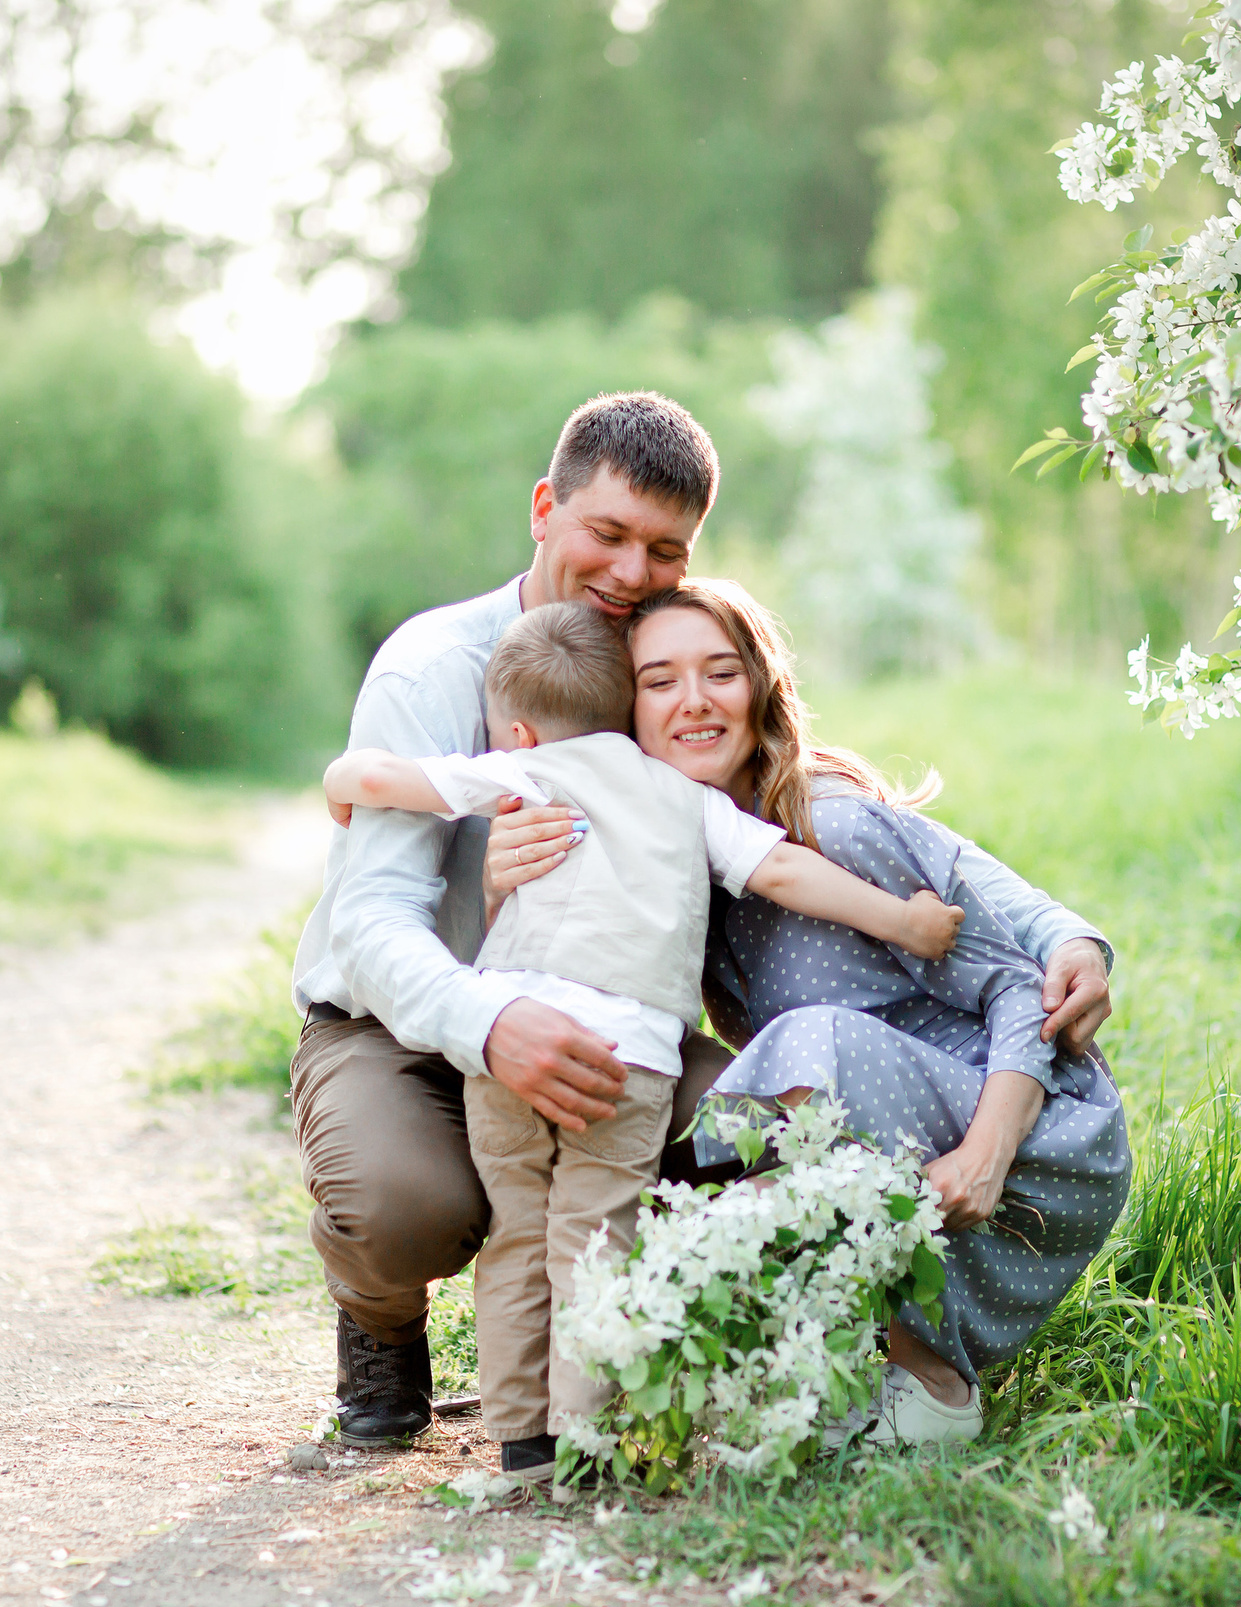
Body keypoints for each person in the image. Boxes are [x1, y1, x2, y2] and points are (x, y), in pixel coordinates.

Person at [290, 390, 1114, 1448]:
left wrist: (1064, 936)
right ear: (545, 508)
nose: (631, 574)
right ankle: (380, 1324)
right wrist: (489, 1016)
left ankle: (684, 1364)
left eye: (663, 550)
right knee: (406, 1208)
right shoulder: (436, 669)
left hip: (605, 1018)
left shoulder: (645, 673)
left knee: (761, 1139)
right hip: (400, 1022)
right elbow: (371, 920)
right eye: (607, 534)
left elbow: (820, 819)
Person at [320, 602, 963, 1482]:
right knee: (596, 1241)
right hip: (628, 1067)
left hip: (507, 1049)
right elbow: (781, 868)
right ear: (630, 705)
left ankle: (521, 1446)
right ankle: (587, 1444)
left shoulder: (521, 771)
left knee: (518, 1240)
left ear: (518, 725)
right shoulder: (687, 798)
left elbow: (389, 781)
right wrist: (907, 921)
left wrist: (342, 779)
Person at [484, 580, 1133, 1448]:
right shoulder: (687, 868)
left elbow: (1019, 987)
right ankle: (795, 1373)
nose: (694, 702)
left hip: (1030, 1133)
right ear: (620, 714)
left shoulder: (831, 830)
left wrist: (988, 1152)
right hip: (907, 1136)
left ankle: (930, 1378)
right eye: (660, 680)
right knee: (666, 1108)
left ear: (759, 688)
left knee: (804, 1050)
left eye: (720, 673)